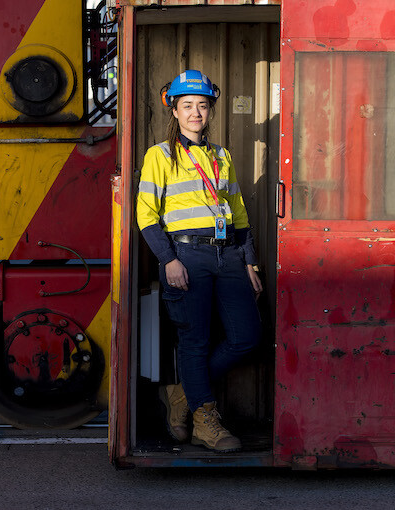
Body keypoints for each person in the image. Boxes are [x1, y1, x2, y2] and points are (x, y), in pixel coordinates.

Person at [136, 70, 262, 453]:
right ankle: (206, 423)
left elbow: (237, 211)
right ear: (173, 110)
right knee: (195, 340)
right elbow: (146, 214)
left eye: (202, 106)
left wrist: (250, 263)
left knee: (246, 336)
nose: (195, 113)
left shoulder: (221, 155)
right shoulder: (159, 155)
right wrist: (169, 260)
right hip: (186, 255)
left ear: (210, 111)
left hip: (228, 254)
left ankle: (180, 393)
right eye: (187, 105)